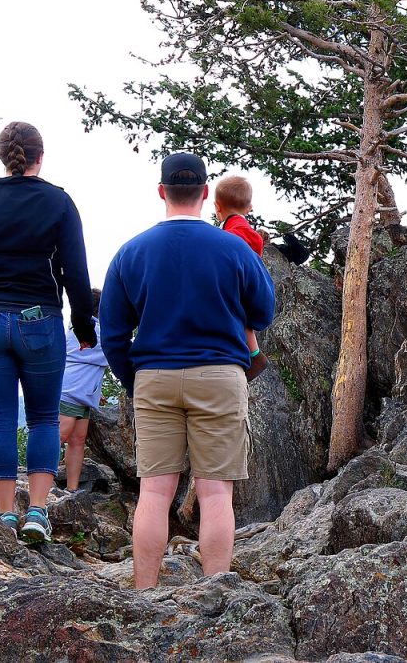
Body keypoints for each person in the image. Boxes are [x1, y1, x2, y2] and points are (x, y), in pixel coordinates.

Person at [100, 152, 276, 589]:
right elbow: (264, 310)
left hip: (154, 377)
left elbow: (113, 334)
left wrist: (134, 379)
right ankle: (215, 594)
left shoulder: (131, 252)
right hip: (220, 374)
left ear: (162, 192)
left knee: (155, 492)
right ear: (203, 193)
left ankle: (144, 592)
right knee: (217, 492)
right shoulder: (234, 247)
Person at [0, 121, 96, 543]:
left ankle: (3, 518)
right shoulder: (58, 202)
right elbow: (75, 270)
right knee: (45, 418)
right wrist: (83, 325)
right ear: (40, 157)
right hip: (39, 321)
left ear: (3, 157)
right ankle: (36, 512)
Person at [214, 175, 269, 379]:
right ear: (249, 207)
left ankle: (255, 355)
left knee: (240, 319)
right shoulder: (249, 232)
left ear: (217, 207)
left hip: (235, 287)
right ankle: (254, 353)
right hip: (248, 285)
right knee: (244, 321)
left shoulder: (231, 234)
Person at [59, 288, 107, 492]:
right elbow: (112, 352)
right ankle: (41, 483)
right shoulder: (95, 332)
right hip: (71, 390)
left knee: (77, 440)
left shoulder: (77, 328)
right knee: (60, 436)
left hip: (82, 393)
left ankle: (71, 488)